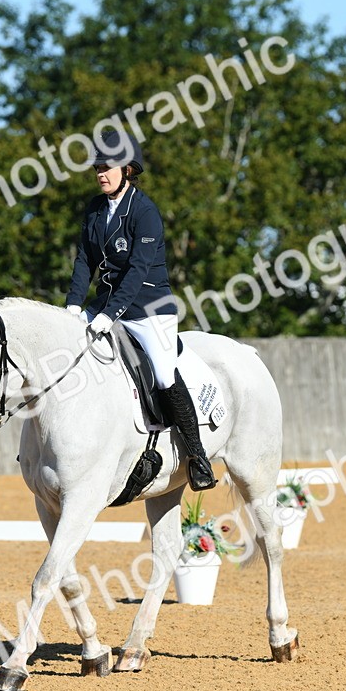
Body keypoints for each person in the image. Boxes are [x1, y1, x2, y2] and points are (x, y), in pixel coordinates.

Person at [65, 129, 216, 491]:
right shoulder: (94, 209)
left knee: (164, 374)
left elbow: (137, 270)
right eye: (97, 167)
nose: (101, 173)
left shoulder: (145, 211)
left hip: (150, 307)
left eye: (108, 167)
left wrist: (108, 314)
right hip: (105, 304)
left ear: (128, 169)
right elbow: (84, 260)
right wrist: (72, 305)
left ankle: (197, 456)